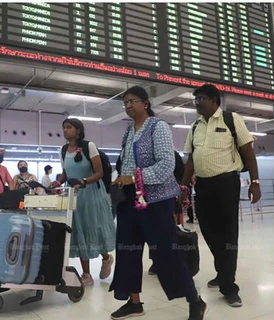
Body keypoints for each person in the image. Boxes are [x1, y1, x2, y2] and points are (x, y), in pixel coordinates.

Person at [109, 86, 207, 320]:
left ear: (145, 103)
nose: (128, 106)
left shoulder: (158, 127)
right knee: (128, 251)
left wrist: (133, 177)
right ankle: (134, 303)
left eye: (133, 101)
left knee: (166, 254)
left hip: (155, 201)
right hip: (129, 201)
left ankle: (195, 301)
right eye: (125, 103)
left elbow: (166, 166)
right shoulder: (128, 131)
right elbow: (124, 163)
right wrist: (121, 182)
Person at [181, 84, 261, 308]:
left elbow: (248, 152)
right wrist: (183, 186)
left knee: (228, 234)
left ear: (215, 100)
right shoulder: (195, 126)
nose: (197, 103)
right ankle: (223, 271)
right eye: (195, 100)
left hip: (226, 183)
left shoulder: (231, 119)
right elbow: (191, 160)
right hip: (203, 186)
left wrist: (255, 182)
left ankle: (229, 286)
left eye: (201, 99)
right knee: (208, 231)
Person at [59, 118, 115, 287]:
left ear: (78, 130)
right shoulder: (63, 150)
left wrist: (84, 181)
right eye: (64, 128)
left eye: (69, 127)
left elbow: (99, 172)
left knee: (94, 229)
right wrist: (57, 181)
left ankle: (106, 258)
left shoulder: (89, 146)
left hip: (92, 194)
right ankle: (86, 274)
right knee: (80, 230)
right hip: (74, 195)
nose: (65, 130)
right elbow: (65, 174)